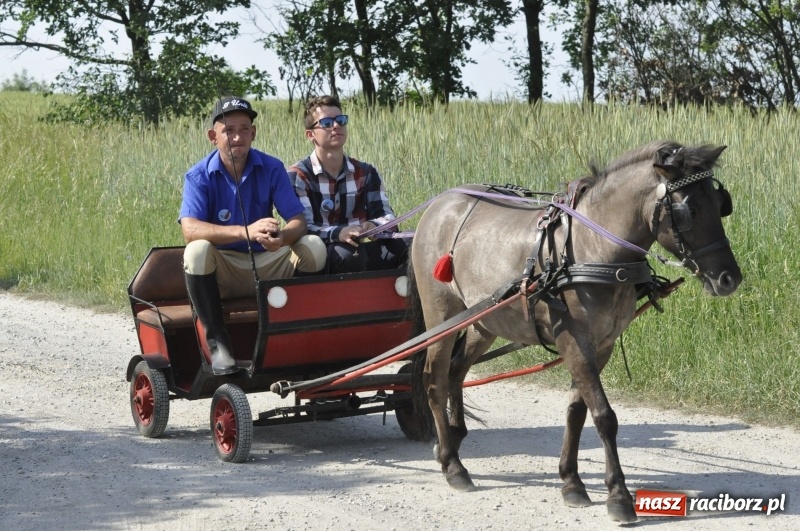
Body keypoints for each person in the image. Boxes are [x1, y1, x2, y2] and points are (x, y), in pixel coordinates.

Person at [179, 96, 326, 375]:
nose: (237, 137)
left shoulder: (271, 167)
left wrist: (281, 238)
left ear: (253, 133)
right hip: (224, 269)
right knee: (196, 252)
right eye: (229, 130)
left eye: (244, 129)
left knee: (314, 247)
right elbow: (190, 229)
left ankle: (297, 337)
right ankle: (219, 346)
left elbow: (298, 221)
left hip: (267, 261)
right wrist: (245, 232)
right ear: (213, 136)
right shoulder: (198, 176)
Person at [287, 95, 408, 274]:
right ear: (310, 134)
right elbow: (305, 228)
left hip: (362, 246)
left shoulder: (366, 172)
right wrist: (339, 233)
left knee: (412, 243)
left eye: (341, 120)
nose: (336, 126)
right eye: (327, 123)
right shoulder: (298, 175)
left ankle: (400, 299)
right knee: (349, 255)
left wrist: (372, 226)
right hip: (324, 253)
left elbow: (387, 217)